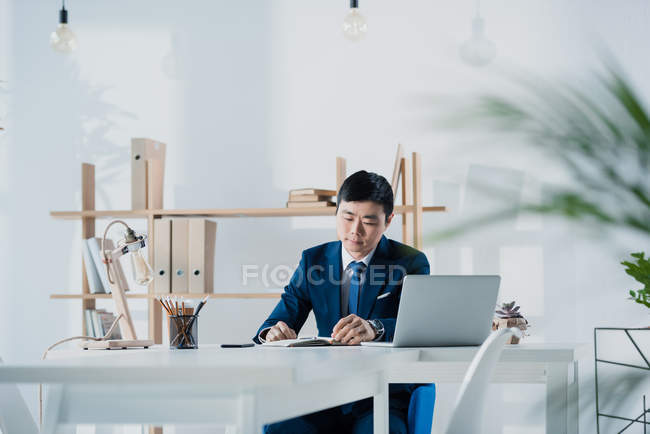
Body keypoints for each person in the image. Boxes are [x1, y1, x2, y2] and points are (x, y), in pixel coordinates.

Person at [253, 170, 430, 434]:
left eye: (368, 221)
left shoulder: (410, 261)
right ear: (336, 214)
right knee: (281, 428)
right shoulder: (313, 260)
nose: (354, 231)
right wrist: (272, 332)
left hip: (383, 395)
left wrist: (375, 328)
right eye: (347, 218)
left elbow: (421, 326)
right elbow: (278, 319)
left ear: (388, 220)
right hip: (323, 393)